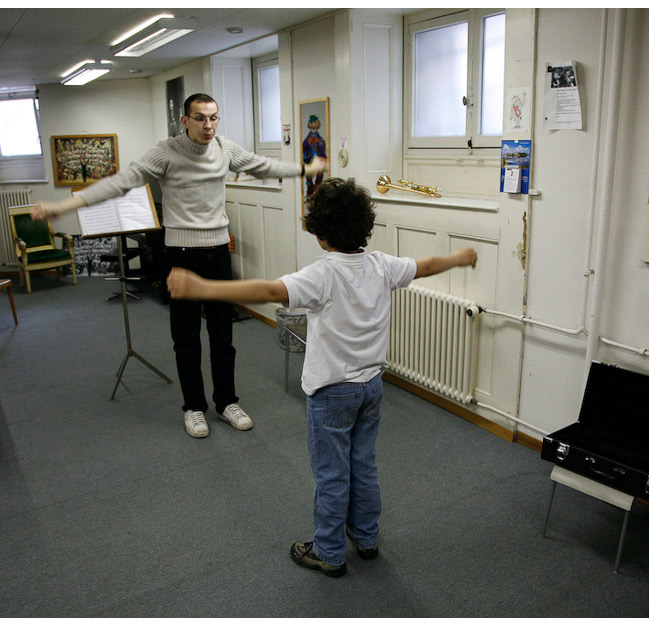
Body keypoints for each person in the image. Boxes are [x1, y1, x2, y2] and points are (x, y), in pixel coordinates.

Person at [166, 178, 478, 578]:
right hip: (371, 389)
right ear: (363, 226)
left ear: (320, 232)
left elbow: (268, 290)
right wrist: (457, 257)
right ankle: (365, 539)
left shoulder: (323, 274)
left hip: (332, 394)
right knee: (363, 465)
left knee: (332, 474)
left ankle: (329, 552)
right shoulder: (382, 265)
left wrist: (203, 286)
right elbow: (426, 266)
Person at [33, 93, 327, 439]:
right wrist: (63, 207)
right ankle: (193, 407)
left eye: (214, 118)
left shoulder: (224, 148)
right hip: (181, 253)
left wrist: (303, 168)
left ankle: (227, 401)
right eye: (201, 118)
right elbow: (120, 181)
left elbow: (260, 164)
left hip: (218, 250)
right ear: (185, 120)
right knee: (186, 338)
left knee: (223, 335)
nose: (208, 125)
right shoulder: (165, 153)